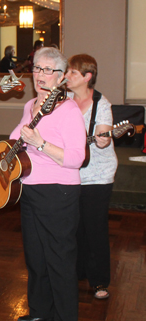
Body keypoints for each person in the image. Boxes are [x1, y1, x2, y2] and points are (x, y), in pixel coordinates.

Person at [0, 47, 86, 321]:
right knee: (36, 258)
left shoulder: (68, 110)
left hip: (59, 192)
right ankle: (42, 311)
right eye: (38, 70)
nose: (41, 76)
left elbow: (76, 158)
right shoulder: (31, 105)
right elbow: (18, 140)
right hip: (30, 189)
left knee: (59, 263)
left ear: (61, 78)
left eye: (49, 71)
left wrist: (40, 143)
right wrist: (0, 149)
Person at [66, 54, 117, 300]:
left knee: (95, 228)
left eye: (72, 73)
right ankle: (77, 272)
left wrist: (104, 139)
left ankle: (99, 281)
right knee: (75, 227)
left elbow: (103, 138)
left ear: (87, 77)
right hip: (71, 172)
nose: (67, 76)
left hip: (98, 174)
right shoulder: (63, 101)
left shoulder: (102, 104)